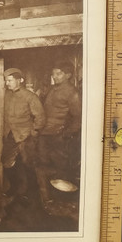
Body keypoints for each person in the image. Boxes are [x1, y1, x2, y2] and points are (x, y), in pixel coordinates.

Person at [37, 61, 82, 204]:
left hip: (59, 136)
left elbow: (78, 117)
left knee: (60, 168)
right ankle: (47, 199)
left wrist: (67, 134)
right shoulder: (52, 89)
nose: (54, 76)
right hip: (45, 134)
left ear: (68, 75)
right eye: (53, 73)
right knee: (42, 164)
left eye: (58, 73)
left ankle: (62, 201)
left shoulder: (72, 92)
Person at [2, 68, 45, 204]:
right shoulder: (7, 95)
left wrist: (33, 132)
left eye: (9, 80)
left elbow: (40, 117)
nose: (6, 83)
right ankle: (13, 189)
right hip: (11, 135)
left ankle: (31, 194)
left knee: (28, 165)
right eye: (5, 80)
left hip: (26, 136)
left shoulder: (30, 96)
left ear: (19, 80)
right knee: (6, 162)